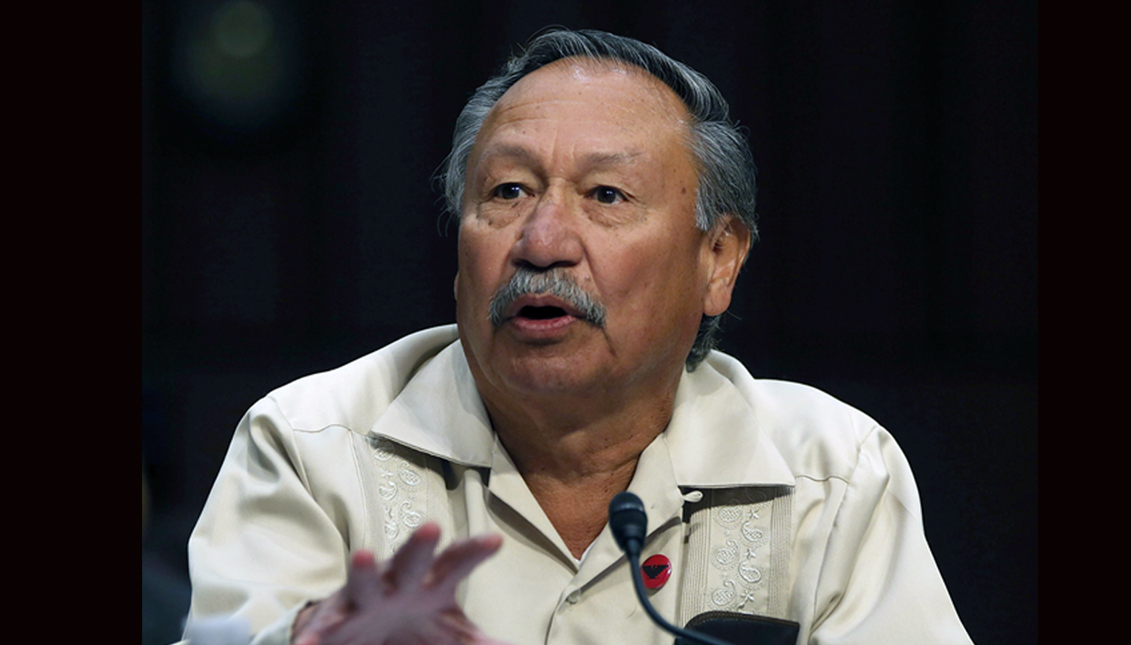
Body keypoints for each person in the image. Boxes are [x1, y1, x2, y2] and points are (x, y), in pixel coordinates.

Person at [185, 29, 974, 645]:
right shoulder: (312, 445)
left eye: (605, 194)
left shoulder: (829, 473)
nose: (542, 241)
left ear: (717, 258)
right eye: (507, 191)